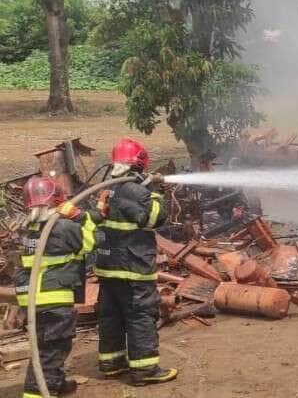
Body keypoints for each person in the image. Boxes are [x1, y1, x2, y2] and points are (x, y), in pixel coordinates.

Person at [94, 138, 177, 385]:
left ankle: (111, 363)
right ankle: (145, 370)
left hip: (108, 268)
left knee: (112, 316)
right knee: (140, 316)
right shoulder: (136, 191)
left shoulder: (109, 187)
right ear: (141, 162)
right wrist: (156, 192)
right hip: (132, 268)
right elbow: (155, 219)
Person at [16, 176, 96, 397]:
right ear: (58, 200)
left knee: (45, 343)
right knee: (54, 347)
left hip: (33, 296)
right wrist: (82, 217)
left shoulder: (30, 227)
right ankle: (39, 392)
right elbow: (90, 243)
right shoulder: (62, 226)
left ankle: (56, 383)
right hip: (53, 295)